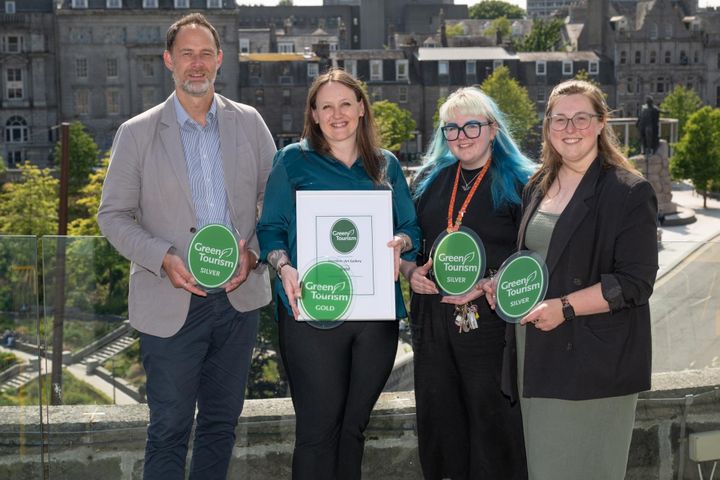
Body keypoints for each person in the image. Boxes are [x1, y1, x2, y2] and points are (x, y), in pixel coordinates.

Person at [97, 13, 276, 480]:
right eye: (186, 55)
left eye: (205, 54)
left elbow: (274, 207)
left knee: (221, 425)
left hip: (238, 301)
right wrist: (163, 257)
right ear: (168, 62)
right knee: (170, 428)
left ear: (219, 60)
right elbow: (112, 217)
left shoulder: (251, 124)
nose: (196, 65)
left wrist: (253, 255)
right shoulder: (136, 133)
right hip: (170, 300)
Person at [256, 67, 420, 480]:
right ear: (313, 114)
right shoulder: (292, 161)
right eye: (325, 106)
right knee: (316, 432)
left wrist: (401, 243)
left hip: (375, 317)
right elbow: (270, 229)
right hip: (313, 312)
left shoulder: (386, 166)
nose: (337, 114)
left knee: (353, 430)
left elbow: (411, 228)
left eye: (346, 103)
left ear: (362, 108)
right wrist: (284, 266)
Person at [498, 79, 658, 480]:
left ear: (602, 123)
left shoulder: (629, 191)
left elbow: (635, 281)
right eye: (560, 119)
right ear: (548, 126)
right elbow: (537, 260)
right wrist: (501, 284)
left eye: (581, 118)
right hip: (535, 354)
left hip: (591, 362)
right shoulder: (537, 185)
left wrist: (565, 307)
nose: (570, 128)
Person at [400, 87, 534, 480]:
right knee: (440, 421)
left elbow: (534, 256)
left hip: (491, 323)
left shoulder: (521, 183)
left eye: (471, 125)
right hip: (434, 323)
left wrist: (491, 281)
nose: (461, 136)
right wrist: (412, 273)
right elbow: (410, 245)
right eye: (451, 129)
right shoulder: (428, 181)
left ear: (493, 129)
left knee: (492, 422)